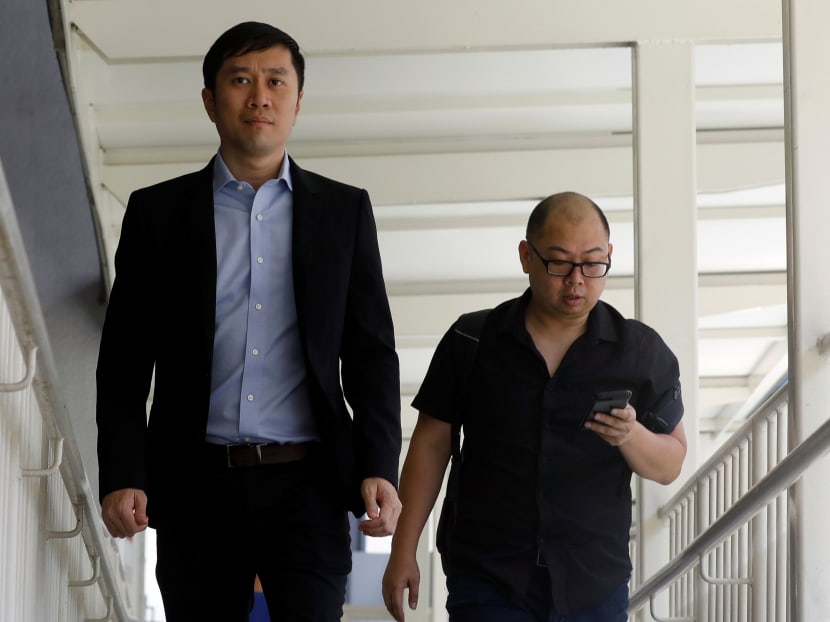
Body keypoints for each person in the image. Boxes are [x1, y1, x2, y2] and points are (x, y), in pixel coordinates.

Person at [96, 21, 402, 621]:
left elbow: (370, 352)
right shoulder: (158, 214)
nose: (258, 96)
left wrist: (378, 466)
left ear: (296, 101)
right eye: (240, 80)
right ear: (211, 101)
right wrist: (122, 473)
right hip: (195, 481)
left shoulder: (343, 212)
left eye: (274, 81)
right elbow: (126, 357)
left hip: (309, 483)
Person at [382, 191, 687, 622]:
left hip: (592, 583)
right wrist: (403, 550)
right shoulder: (472, 341)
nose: (577, 279)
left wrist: (631, 436)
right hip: (488, 576)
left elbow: (670, 463)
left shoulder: (638, 352)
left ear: (610, 256)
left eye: (593, 263)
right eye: (559, 262)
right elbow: (432, 447)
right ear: (527, 256)